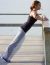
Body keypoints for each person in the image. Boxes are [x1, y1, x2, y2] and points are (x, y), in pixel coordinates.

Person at [0, 0, 48, 65]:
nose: (40, 6)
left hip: (23, 30)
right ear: (36, 5)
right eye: (39, 5)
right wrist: (43, 18)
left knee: (16, 45)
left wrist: (43, 18)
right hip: (22, 29)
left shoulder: (35, 11)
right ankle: (4, 58)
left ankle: (6, 57)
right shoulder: (33, 12)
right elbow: (35, 16)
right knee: (13, 44)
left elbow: (39, 17)